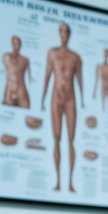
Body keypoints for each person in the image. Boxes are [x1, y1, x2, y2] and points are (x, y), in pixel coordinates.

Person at [41, 22, 84, 192]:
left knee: (71, 140)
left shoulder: (75, 57)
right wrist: (42, 98)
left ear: (69, 34)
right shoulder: (52, 53)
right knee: (57, 138)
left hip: (71, 99)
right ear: (59, 34)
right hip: (56, 98)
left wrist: (84, 99)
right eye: (61, 31)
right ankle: (58, 181)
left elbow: (80, 79)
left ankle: (70, 183)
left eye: (66, 31)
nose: (63, 34)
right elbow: (47, 75)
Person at [2, 35, 32, 109]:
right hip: (10, 89)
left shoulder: (25, 60)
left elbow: (30, 78)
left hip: (21, 90)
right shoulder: (6, 57)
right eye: (14, 43)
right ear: (12, 44)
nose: (16, 46)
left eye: (18, 43)